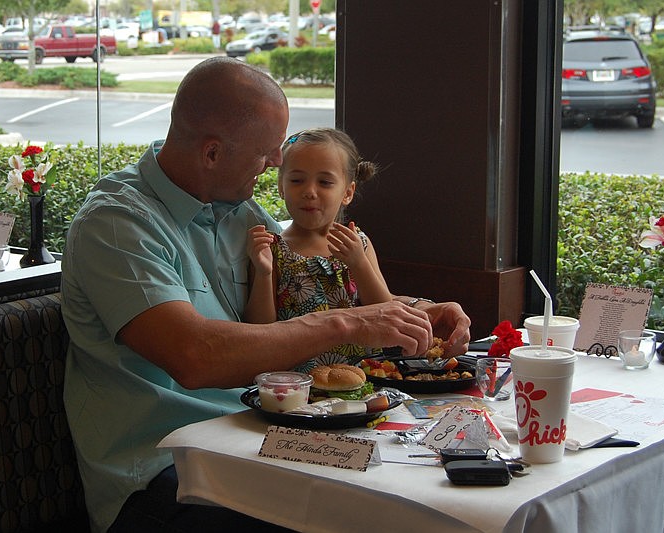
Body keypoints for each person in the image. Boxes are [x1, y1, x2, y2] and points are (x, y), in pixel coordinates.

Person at [60, 56, 471, 533]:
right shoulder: (116, 223)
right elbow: (194, 357)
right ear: (212, 153)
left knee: (418, 493)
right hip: (165, 471)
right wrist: (346, 324)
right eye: (266, 152)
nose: (277, 162)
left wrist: (419, 311)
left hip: (259, 435)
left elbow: (312, 291)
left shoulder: (240, 211)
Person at [246, 128, 393, 371]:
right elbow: (260, 329)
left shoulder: (358, 243)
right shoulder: (273, 249)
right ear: (281, 187)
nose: (309, 192)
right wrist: (263, 272)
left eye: (324, 182)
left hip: (361, 379)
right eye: (296, 180)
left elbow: (387, 313)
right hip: (296, 382)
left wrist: (358, 263)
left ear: (347, 192)